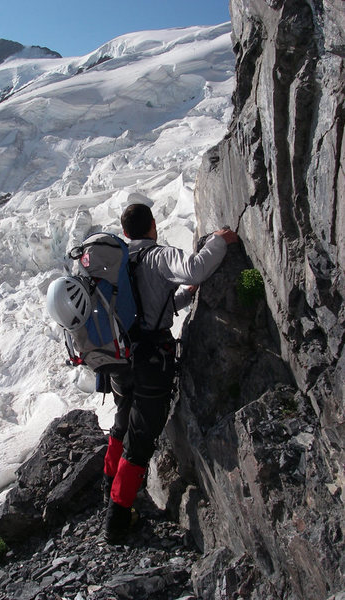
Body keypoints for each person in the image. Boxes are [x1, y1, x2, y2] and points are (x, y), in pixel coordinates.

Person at [102, 203, 238, 544]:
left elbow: (143, 309)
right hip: (150, 362)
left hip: (122, 360)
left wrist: (181, 299)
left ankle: (109, 487)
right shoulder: (158, 256)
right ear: (152, 227)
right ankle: (117, 519)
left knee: (123, 422)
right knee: (140, 439)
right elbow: (195, 268)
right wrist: (219, 241)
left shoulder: (119, 263)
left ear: (125, 233)